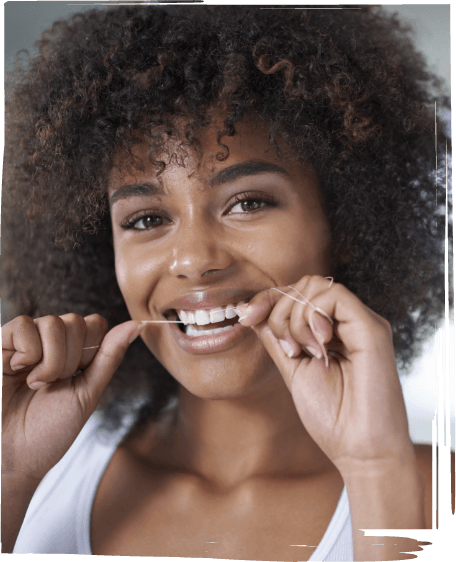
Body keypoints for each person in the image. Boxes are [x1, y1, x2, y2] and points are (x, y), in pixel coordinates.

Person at [1, 4, 453, 560]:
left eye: (248, 202)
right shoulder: (38, 465)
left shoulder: (441, 500)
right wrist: (9, 473)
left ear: (348, 225)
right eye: (146, 219)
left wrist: (375, 469)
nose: (193, 260)